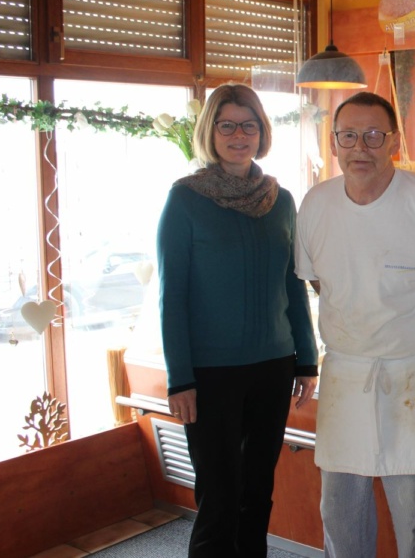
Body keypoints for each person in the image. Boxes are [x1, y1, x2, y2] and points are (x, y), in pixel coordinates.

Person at [295, 91, 415, 558]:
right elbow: (316, 279)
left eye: (374, 135)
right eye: (349, 135)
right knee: (340, 514)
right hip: (346, 375)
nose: (361, 147)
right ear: (334, 143)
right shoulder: (316, 205)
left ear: (394, 140)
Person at [157, 83, 317, 558]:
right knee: (219, 495)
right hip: (210, 376)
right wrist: (179, 378)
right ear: (211, 131)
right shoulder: (185, 201)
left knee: (256, 492)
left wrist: (306, 360)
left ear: (262, 132)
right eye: (227, 124)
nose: (239, 134)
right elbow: (173, 298)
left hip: (273, 367)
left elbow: (293, 284)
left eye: (249, 125)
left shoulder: (281, 199)